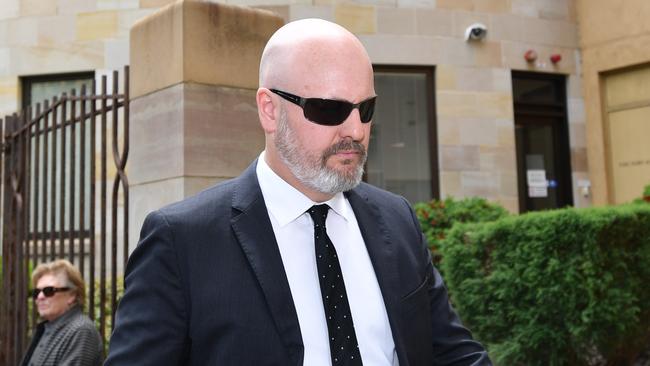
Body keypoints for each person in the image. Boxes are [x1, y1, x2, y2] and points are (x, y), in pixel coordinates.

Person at [106, 18, 491, 365]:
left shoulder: (396, 218)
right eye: (328, 109)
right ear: (269, 110)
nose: (355, 131)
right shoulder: (182, 240)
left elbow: (451, 352)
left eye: (366, 109)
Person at [20, 259, 103, 366]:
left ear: (72, 295)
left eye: (49, 291)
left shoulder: (81, 330)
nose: (40, 297)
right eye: (36, 292)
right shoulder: (49, 328)